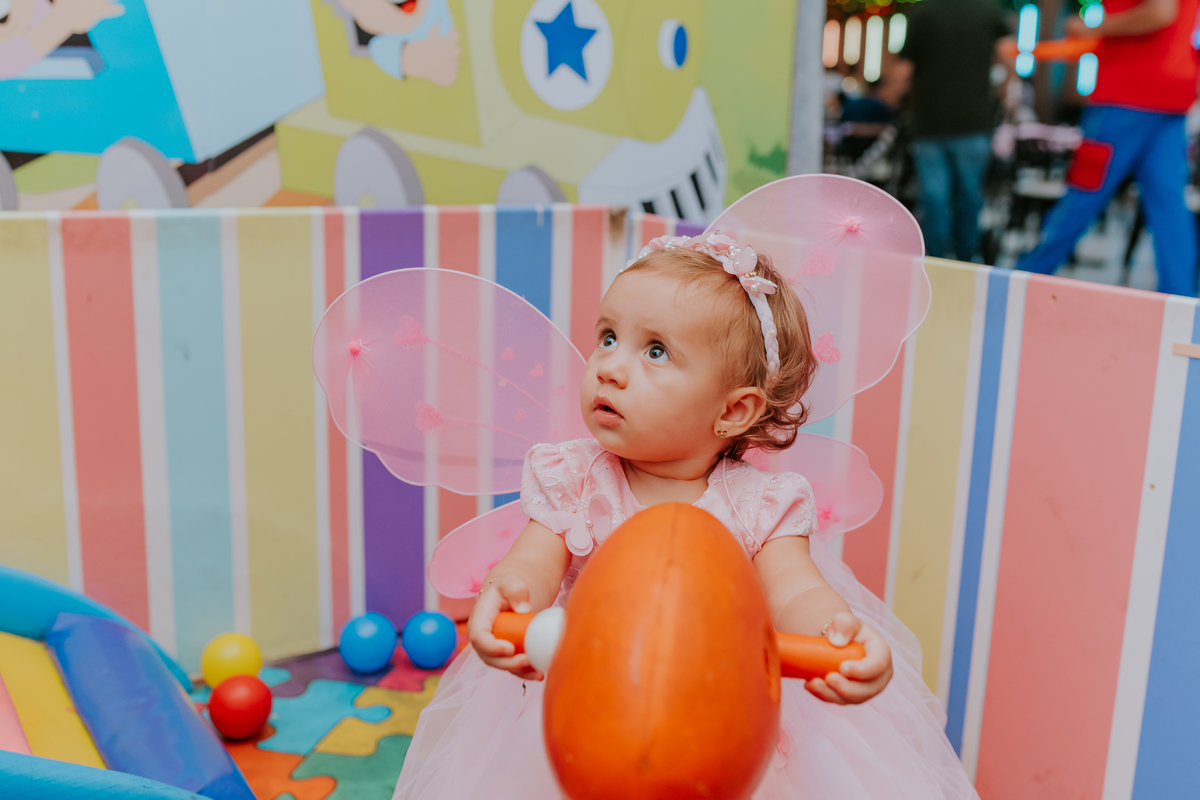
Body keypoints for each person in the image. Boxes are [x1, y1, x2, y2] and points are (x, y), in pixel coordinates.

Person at [392, 234, 979, 798]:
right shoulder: (575, 477)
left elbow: (796, 590)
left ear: (734, 410)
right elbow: (532, 562)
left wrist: (836, 637)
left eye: (655, 352)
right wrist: (511, 595)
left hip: (719, 727)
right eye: (607, 337)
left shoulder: (757, 507)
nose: (610, 367)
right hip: (589, 711)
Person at [1016, 0, 1200, 296]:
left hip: (1126, 92)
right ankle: (1184, 309)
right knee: (1169, 208)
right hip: (1171, 94)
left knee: (1083, 192)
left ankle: (1022, 281)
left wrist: (1094, 27)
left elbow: (1161, 10)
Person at [899, 0, 1010, 261]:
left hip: (929, 124)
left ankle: (936, 263)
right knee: (969, 197)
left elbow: (905, 69)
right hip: (973, 124)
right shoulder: (990, 11)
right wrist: (1004, 99)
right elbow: (1006, 60)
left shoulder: (922, 13)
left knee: (934, 199)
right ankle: (966, 261)